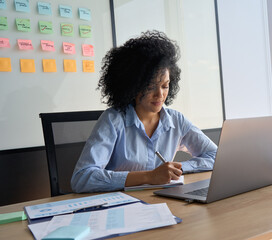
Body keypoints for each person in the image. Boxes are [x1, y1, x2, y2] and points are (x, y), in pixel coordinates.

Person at [71, 30, 217, 193]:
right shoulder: (113, 120)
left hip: (160, 200)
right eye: (150, 86)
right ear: (133, 85)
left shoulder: (177, 120)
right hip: (120, 204)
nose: (160, 95)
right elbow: (82, 178)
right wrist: (149, 176)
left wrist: (175, 169)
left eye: (165, 86)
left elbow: (215, 156)